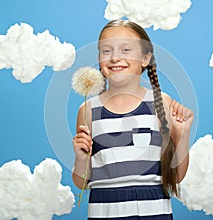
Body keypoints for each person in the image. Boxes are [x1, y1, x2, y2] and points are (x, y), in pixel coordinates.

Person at [72, 19, 194, 219]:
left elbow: (178, 175)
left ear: (146, 58)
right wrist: (81, 157)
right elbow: (81, 182)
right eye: (106, 51)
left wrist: (183, 134)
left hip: (154, 212)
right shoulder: (87, 110)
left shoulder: (161, 103)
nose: (115, 58)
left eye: (126, 50)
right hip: (104, 211)